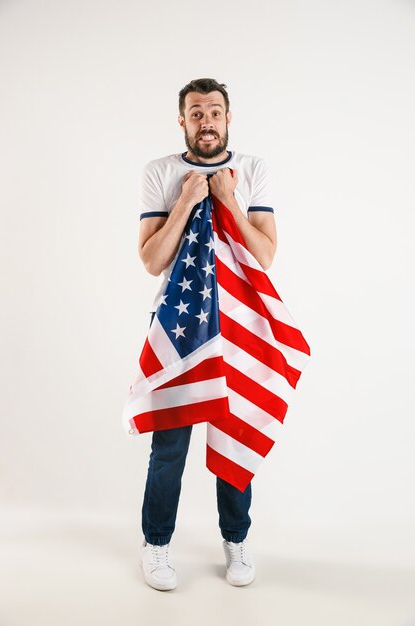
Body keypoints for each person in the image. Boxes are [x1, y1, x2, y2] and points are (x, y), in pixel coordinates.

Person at [136, 78, 277, 591]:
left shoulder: (253, 170)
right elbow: (152, 260)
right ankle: (156, 545)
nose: (206, 121)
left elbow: (263, 255)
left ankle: (236, 540)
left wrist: (227, 198)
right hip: (181, 328)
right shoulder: (162, 173)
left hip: (241, 325)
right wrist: (186, 201)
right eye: (195, 113)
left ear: (228, 118)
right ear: (182, 121)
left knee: (235, 437)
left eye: (214, 111)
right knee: (170, 443)